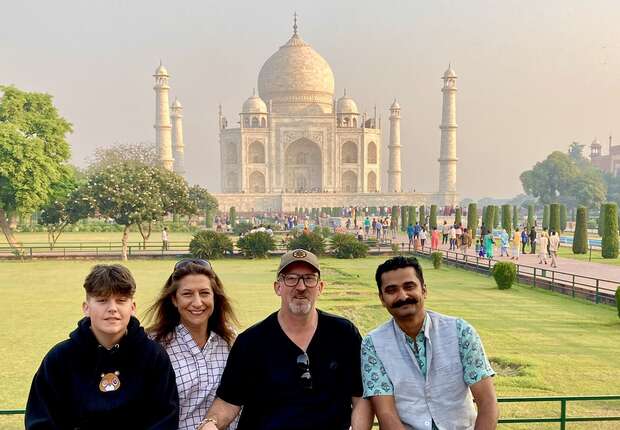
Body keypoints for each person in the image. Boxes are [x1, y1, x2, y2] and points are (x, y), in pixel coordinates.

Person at [199, 249, 373, 430]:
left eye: (309, 278)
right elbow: (229, 400)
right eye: (291, 278)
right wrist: (210, 424)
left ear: (320, 287)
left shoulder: (343, 333)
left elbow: (360, 396)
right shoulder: (251, 342)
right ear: (278, 287)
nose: (301, 287)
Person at [25, 264, 179, 428]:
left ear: (132, 307)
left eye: (121, 300)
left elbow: (165, 419)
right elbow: (40, 421)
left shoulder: (153, 356)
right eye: (102, 300)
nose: (112, 308)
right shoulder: (59, 359)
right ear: (86, 308)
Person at [362, 256, 498, 429]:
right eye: (391, 290)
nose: (402, 296)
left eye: (409, 286)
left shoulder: (460, 332)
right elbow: (386, 414)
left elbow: (487, 403)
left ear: (424, 290)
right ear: (382, 298)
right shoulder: (373, 344)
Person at [146, 259, 239, 430]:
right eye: (187, 294)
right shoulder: (154, 345)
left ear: (215, 297)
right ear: (174, 299)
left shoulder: (230, 339)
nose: (197, 303)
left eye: (204, 293)